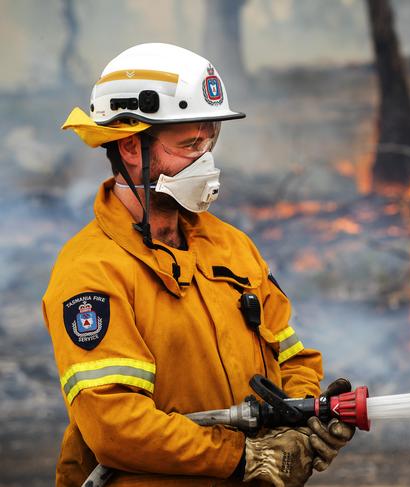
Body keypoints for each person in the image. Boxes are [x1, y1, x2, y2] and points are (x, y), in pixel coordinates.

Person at [43, 43, 354, 487]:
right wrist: (243, 458)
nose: (206, 161)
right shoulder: (92, 271)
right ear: (131, 147)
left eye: (210, 141)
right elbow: (115, 427)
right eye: (189, 144)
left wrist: (299, 422)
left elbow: (294, 358)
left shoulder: (231, 246)